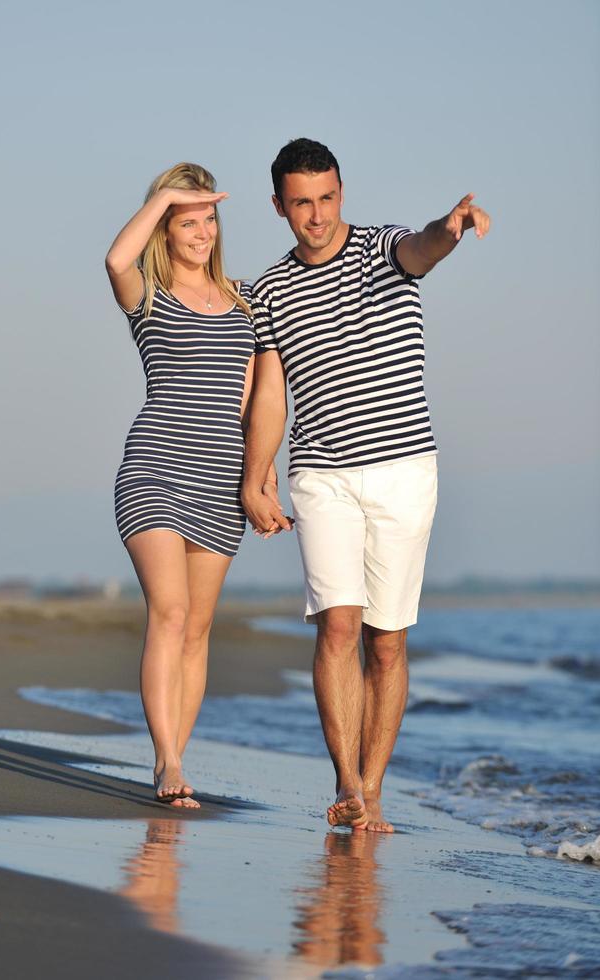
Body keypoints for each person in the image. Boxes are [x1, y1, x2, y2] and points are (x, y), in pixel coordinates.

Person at [242, 139, 490, 832]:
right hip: (320, 474)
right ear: (278, 206)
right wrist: (254, 476)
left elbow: (423, 249)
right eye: (300, 203)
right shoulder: (270, 288)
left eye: (325, 199)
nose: (314, 216)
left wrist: (450, 228)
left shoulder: (382, 247)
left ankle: (372, 789)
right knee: (337, 625)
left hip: (403, 468)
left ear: (340, 194)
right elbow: (268, 395)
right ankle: (347, 785)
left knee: (385, 641)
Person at [106, 163, 280, 807]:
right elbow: (114, 256)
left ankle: (177, 758)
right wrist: (166, 196)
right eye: (187, 218)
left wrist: (258, 482)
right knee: (171, 613)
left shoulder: (246, 301)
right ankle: (167, 761)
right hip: (153, 470)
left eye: (208, 217)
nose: (201, 230)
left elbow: (257, 400)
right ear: (166, 226)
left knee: (198, 629)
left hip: (217, 482)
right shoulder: (145, 293)